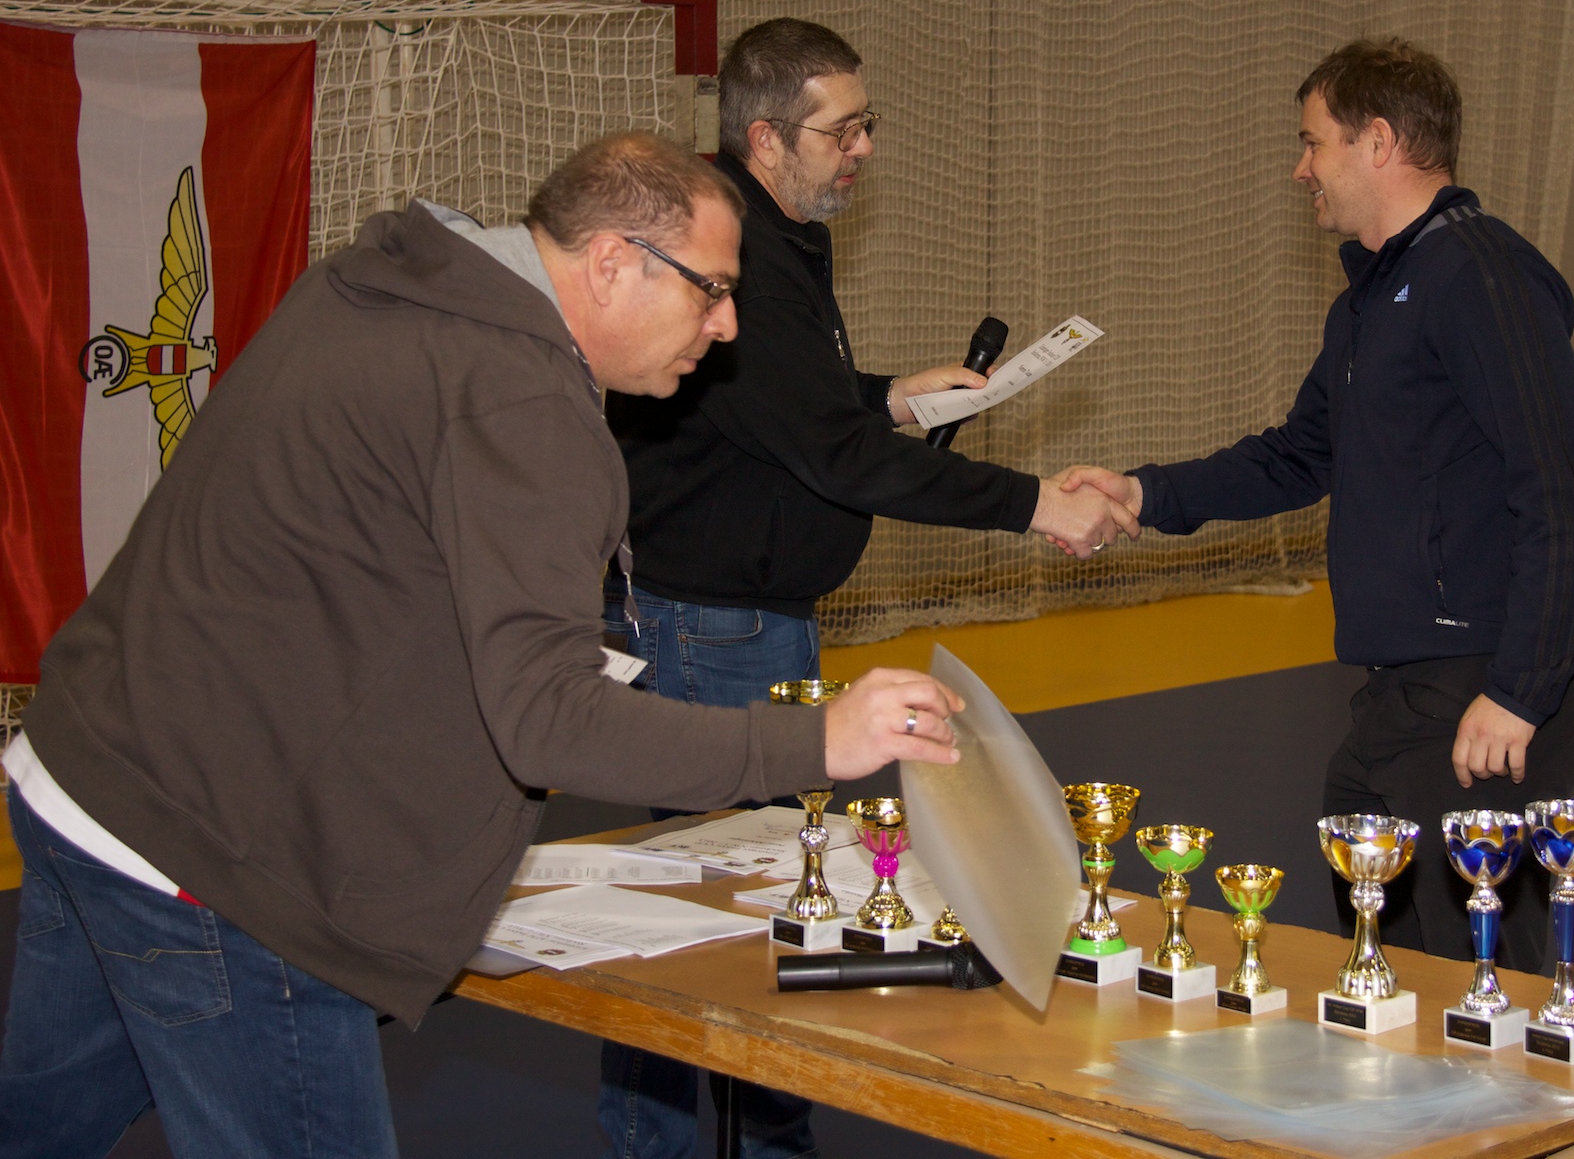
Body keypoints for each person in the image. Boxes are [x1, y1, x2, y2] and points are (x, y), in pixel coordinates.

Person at [0, 131, 968, 1158]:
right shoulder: (521, 400)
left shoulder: (387, 289)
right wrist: (817, 740)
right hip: (225, 859)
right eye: (712, 289)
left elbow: (362, 576)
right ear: (613, 261)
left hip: (87, 775)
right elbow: (549, 720)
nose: (727, 325)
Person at [597, 19, 1135, 1159]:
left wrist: (889, 395)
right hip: (706, 629)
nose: (864, 149)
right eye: (843, 130)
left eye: (866, 125)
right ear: (765, 137)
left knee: (746, 903)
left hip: (751, 620)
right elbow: (833, 456)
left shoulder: (781, 235)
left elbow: (785, 405)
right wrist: (1036, 503)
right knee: (718, 914)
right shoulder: (731, 249)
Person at [1063, 38, 1574, 972]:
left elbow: (1560, 491)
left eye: (1313, 143)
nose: (1301, 168)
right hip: (1402, 692)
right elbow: (1301, 453)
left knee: (1474, 965)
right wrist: (1147, 493)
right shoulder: (1371, 297)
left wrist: (1520, 691)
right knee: (1384, 947)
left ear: (1379, 142)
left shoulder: (1481, 277)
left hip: (1477, 684)